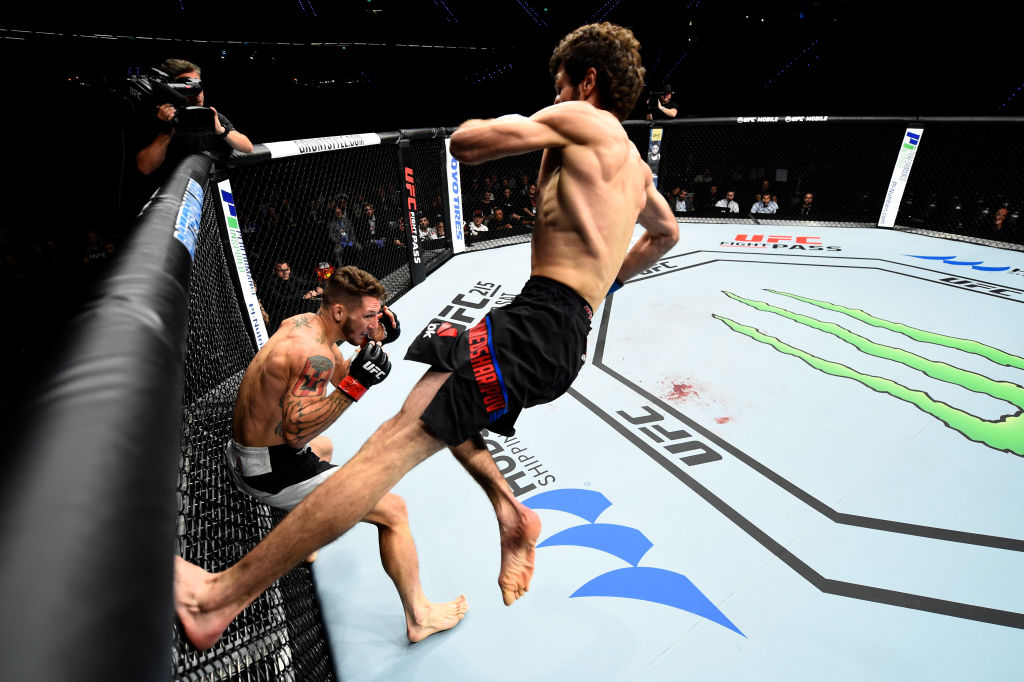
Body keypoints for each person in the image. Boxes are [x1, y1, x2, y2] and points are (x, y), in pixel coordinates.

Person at [174, 21, 679, 651]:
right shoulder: (633, 166)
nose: (555, 95)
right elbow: (665, 234)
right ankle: (510, 511)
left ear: (588, 80)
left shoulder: (586, 120)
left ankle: (218, 599)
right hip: (551, 323)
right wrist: (600, 288)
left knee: (381, 456)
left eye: (559, 84)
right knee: (434, 397)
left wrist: (547, 112)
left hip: (540, 323)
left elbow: (467, 144)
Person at [223, 265, 467, 642]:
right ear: (339, 312)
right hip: (269, 471)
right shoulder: (312, 355)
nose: (374, 322)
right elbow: (295, 431)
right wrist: (357, 385)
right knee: (394, 510)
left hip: (243, 454)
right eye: (369, 315)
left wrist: (375, 342)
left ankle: (307, 540)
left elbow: (339, 372)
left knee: (326, 448)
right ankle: (420, 616)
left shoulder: (304, 323)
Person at [135, 58, 254, 178]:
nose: (196, 92)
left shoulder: (211, 116)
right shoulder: (160, 119)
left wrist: (221, 130)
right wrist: (167, 131)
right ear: (171, 89)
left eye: (198, 85)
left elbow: (247, 147)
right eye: (188, 85)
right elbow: (145, 167)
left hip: (209, 189)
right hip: (173, 192)